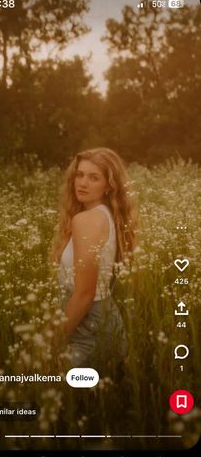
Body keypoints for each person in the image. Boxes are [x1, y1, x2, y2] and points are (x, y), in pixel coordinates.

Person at [51, 148, 136, 375]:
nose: (83, 183)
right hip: (100, 324)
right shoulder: (105, 214)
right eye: (80, 175)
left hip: (89, 332)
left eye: (94, 177)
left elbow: (85, 293)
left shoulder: (87, 219)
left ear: (109, 185)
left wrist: (48, 346)